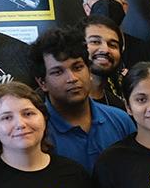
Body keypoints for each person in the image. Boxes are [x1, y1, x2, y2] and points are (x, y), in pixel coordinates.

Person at [32, 25, 133, 174]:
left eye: (78, 67)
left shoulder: (120, 120)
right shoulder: (35, 132)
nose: (72, 78)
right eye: (58, 72)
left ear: (89, 70)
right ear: (42, 83)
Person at [83, 12, 130, 108]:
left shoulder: (118, 107)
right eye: (95, 42)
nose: (105, 50)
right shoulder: (61, 103)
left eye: (112, 45)